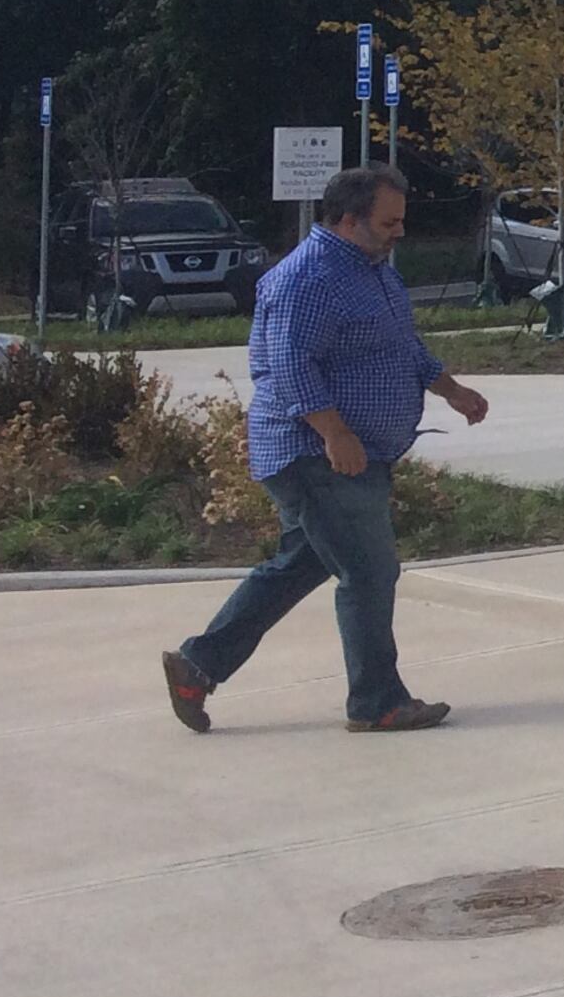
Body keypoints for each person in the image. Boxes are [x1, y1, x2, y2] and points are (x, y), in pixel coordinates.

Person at [159, 164, 492, 733]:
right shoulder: (307, 278)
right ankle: (377, 702)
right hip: (313, 453)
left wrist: (450, 388)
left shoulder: (373, 271)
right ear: (346, 220)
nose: (399, 233)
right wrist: (334, 432)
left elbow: (400, 346)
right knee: (369, 570)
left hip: (345, 451)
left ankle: (198, 665)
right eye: (388, 222)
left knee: (298, 565)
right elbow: (289, 366)